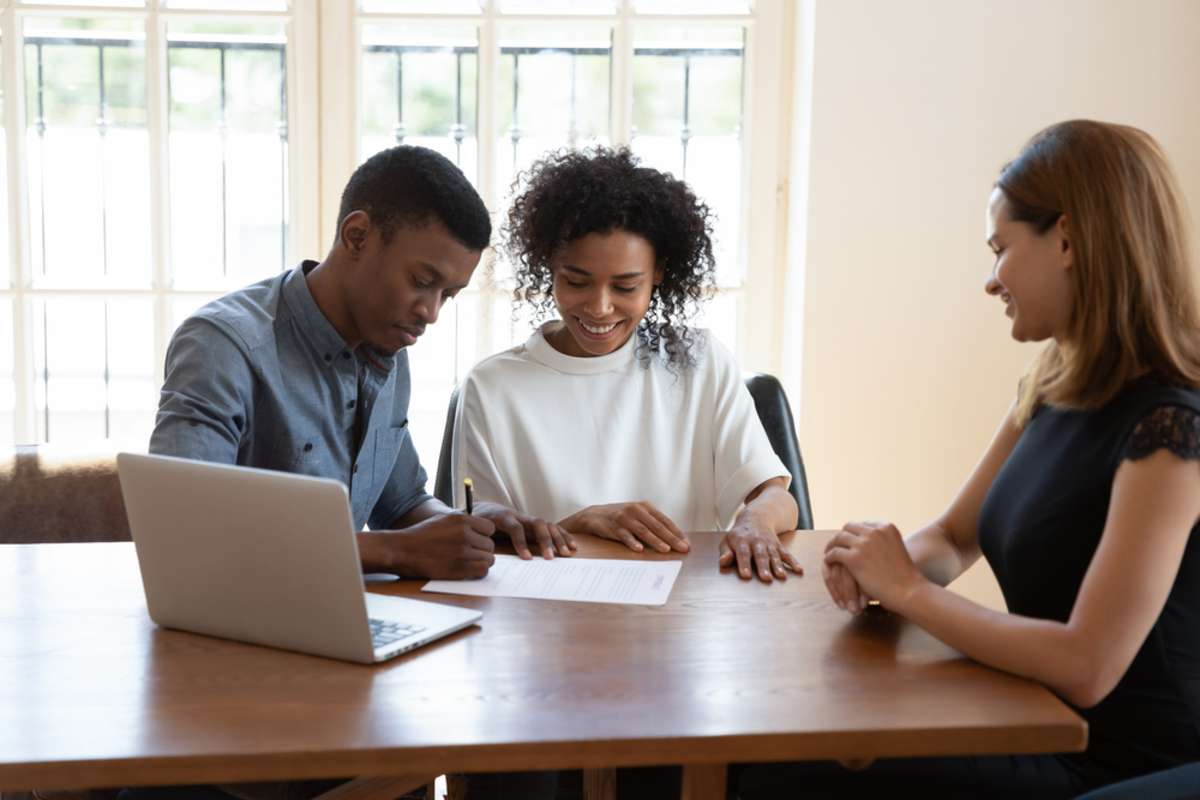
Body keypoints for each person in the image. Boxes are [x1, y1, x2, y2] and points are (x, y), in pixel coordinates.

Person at [740, 120, 1200, 798]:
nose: (991, 280)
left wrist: (908, 590)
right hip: (1032, 715)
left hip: (1114, 765)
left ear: (1067, 240)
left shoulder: (1171, 430)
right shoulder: (1051, 384)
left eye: (1000, 249)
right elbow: (953, 539)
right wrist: (869, 566)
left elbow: (1088, 664)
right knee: (787, 750)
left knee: (799, 774)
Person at [133, 145, 563, 800]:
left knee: (504, 734)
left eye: (448, 294)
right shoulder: (223, 345)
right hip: (223, 689)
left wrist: (470, 528)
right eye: (423, 280)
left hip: (336, 662)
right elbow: (184, 542)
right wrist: (399, 551)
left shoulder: (387, 348)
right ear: (357, 236)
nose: (430, 312)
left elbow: (405, 502)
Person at [453, 145, 800, 581]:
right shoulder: (492, 387)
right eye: (576, 281)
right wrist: (574, 525)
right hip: (549, 618)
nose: (600, 307)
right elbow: (480, 534)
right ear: (550, 269)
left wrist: (754, 521)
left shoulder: (698, 362)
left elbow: (775, 494)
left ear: (658, 274)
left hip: (681, 611)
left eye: (625, 286)